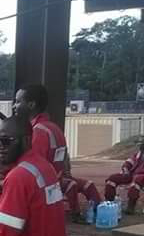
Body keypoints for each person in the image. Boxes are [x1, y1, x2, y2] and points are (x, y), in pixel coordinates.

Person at [13, 84, 102, 221]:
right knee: (86, 185)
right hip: (57, 179)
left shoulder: (38, 132)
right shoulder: (54, 128)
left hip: (47, 185)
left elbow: (34, 169)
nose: (14, 106)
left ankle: (76, 214)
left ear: (31, 104)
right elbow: (64, 158)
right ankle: (100, 212)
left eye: (18, 101)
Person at [104, 133, 144, 214]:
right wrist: (125, 169)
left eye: (142, 142)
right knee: (112, 178)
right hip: (131, 175)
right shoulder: (139, 153)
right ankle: (109, 204)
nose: (139, 144)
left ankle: (130, 207)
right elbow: (128, 162)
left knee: (136, 181)